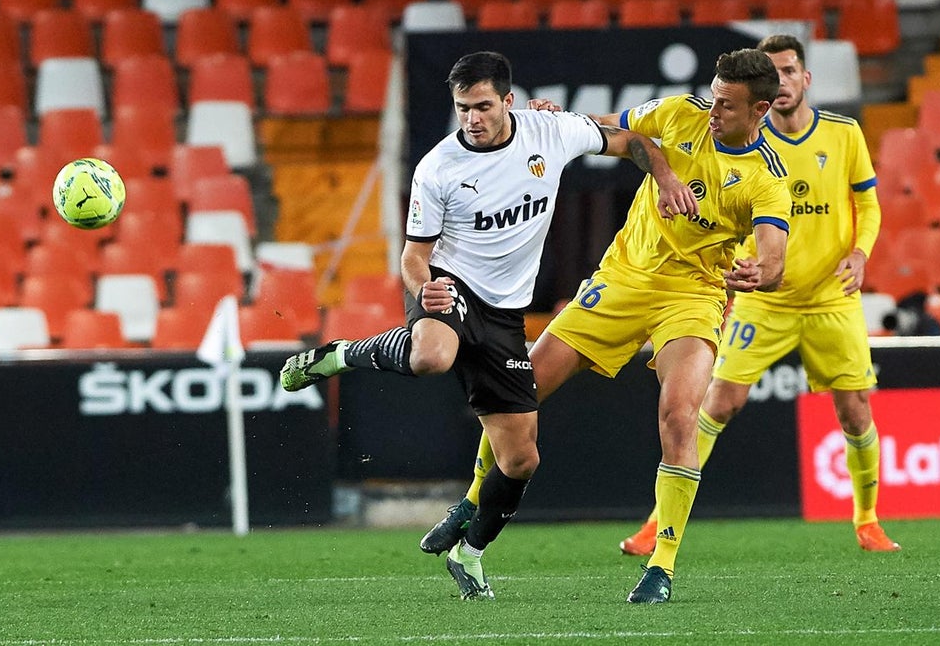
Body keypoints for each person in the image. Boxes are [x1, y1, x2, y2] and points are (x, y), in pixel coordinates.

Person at [279, 50, 699, 601]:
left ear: (508, 101)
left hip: (505, 315)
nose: (471, 119)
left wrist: (665, 177)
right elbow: (413, 255)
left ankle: (469, 554)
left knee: (522, 458)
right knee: (432, 355)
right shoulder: (438, 167)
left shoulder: (550, 132)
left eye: (481, 106)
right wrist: (420, 285)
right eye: (461, 108)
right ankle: (339, 355)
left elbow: (634, 142)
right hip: (449, 285)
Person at [418, 48, 792, 604]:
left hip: (691, 297)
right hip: (619, 281)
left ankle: (661, 565)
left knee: (680, 416)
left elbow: (774, 254)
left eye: (727, 105)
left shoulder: (767, 178)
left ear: (760, 109)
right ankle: (473, 503)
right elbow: (616, 133)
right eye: (713, 97)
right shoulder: (679, 113)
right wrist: (558, 122)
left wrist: (760, 270)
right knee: (519, 392)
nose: (713, 111)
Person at [616, 33, 901, 557]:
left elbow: (870, 204)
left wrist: (861, 252)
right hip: (763, 298)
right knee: (719, 402)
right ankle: (658, 522)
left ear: (804, 78)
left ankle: (868, 519)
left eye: (792, 70)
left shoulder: (844, 134)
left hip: (829, 298)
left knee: (855, 409)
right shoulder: (735, 142)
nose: (786, 79)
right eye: (777, 72)